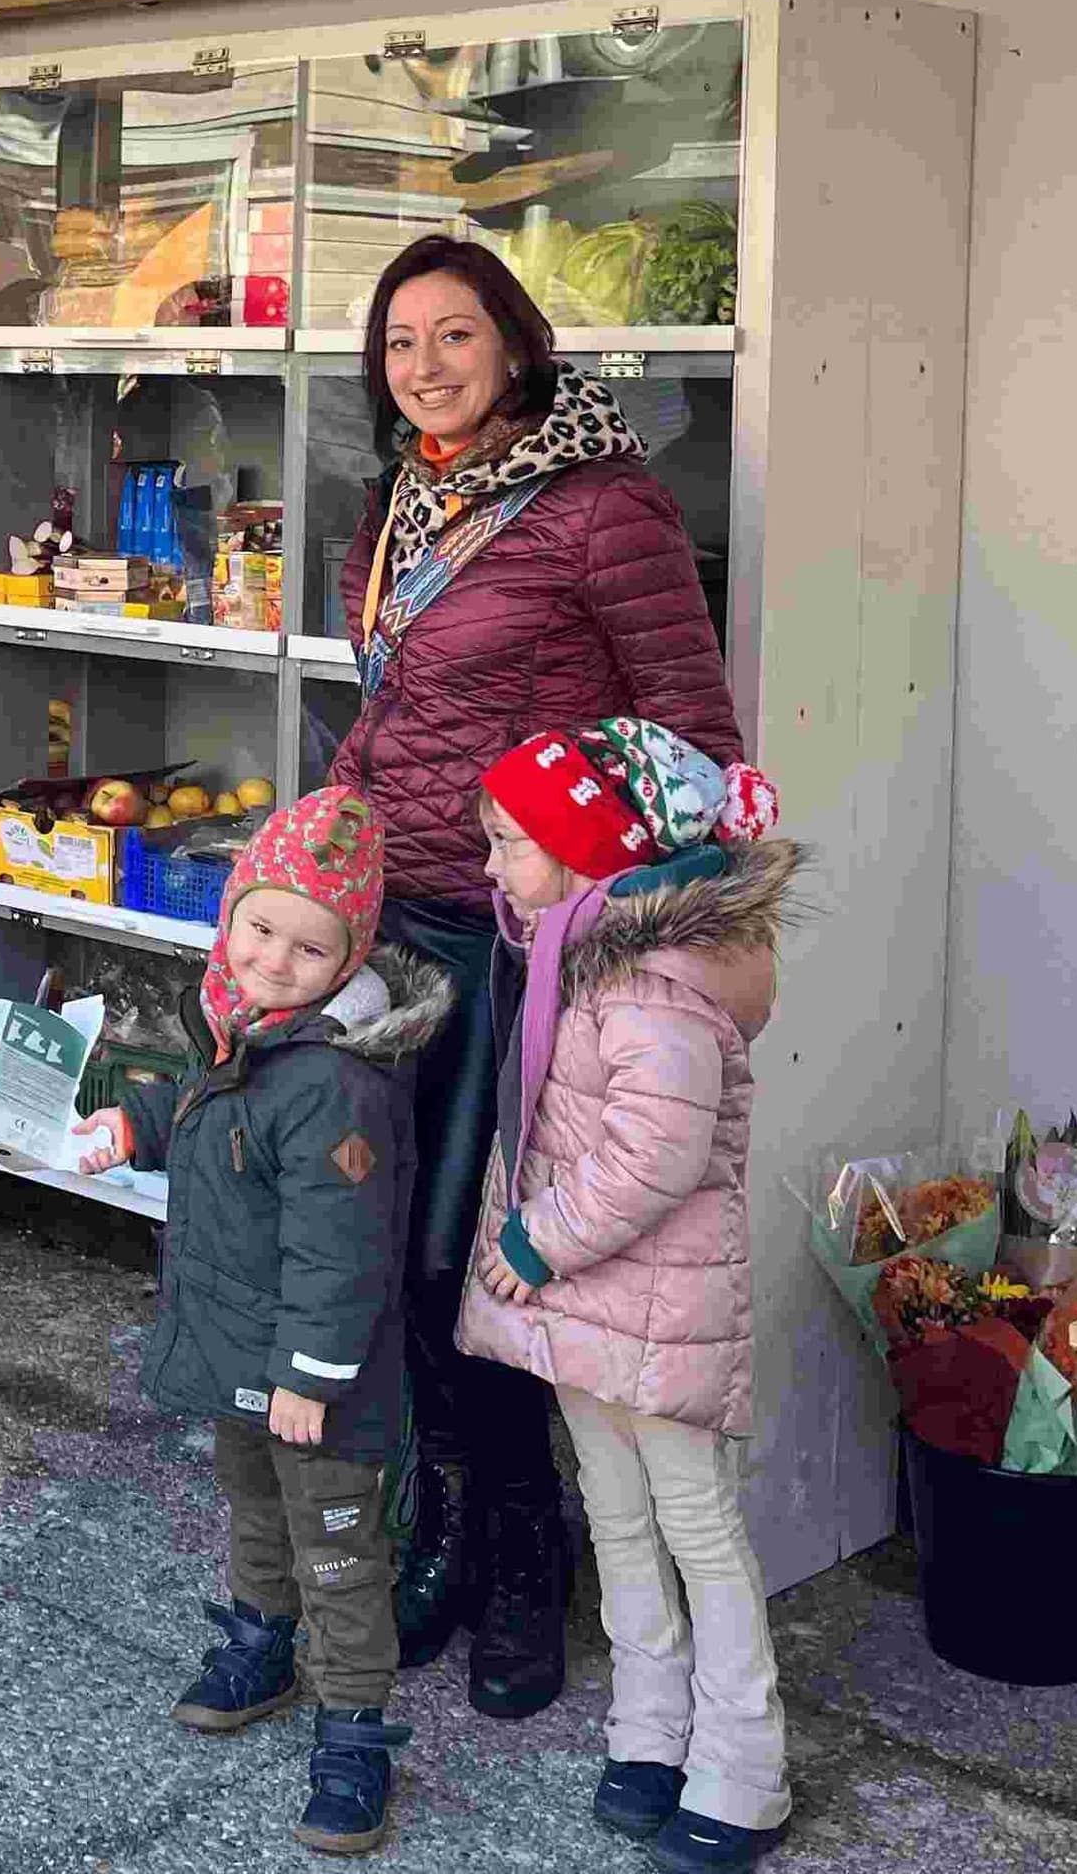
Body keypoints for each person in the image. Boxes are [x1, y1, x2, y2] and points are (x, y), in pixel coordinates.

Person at [324, 232, 744, 1717]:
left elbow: (695, 731)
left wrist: (664, 936)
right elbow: (391, 715)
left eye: (453, 336)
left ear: (514, 341)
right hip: (401, 921)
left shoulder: (599, 506)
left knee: (480, 1263)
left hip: (529, 942)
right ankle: (446, 1529)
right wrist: (318, 856)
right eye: (399, 344)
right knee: (387, 1255)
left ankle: (524, 1567)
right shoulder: (407, 504)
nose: (426, 365)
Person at [69, 790, 448, 1859]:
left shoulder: (334, 1079)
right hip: (245, 1349)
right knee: (252, 1508)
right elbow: (211, 1112)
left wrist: (315, 1375)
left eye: (308, 945)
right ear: (232, 915)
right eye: (260, 928)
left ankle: (354, 1729)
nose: (274, 959)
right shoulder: (246, 1031)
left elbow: (344, 1249)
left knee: (336, 1544)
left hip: (314, 1376)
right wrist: (133, 1123)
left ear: (349, 958)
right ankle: (261, 1646)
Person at [460, 720, 798, 1870]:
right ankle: (650, 1730)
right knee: (614, 1516)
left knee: (696, 1525)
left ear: (581, 847)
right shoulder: (572, 952)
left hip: (651, 1301)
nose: (491, 867)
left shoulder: (651, 982)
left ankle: (743, 1764)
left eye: (508, 843)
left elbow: (654, 1154)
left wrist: (535, 1244)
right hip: (592, 1309)